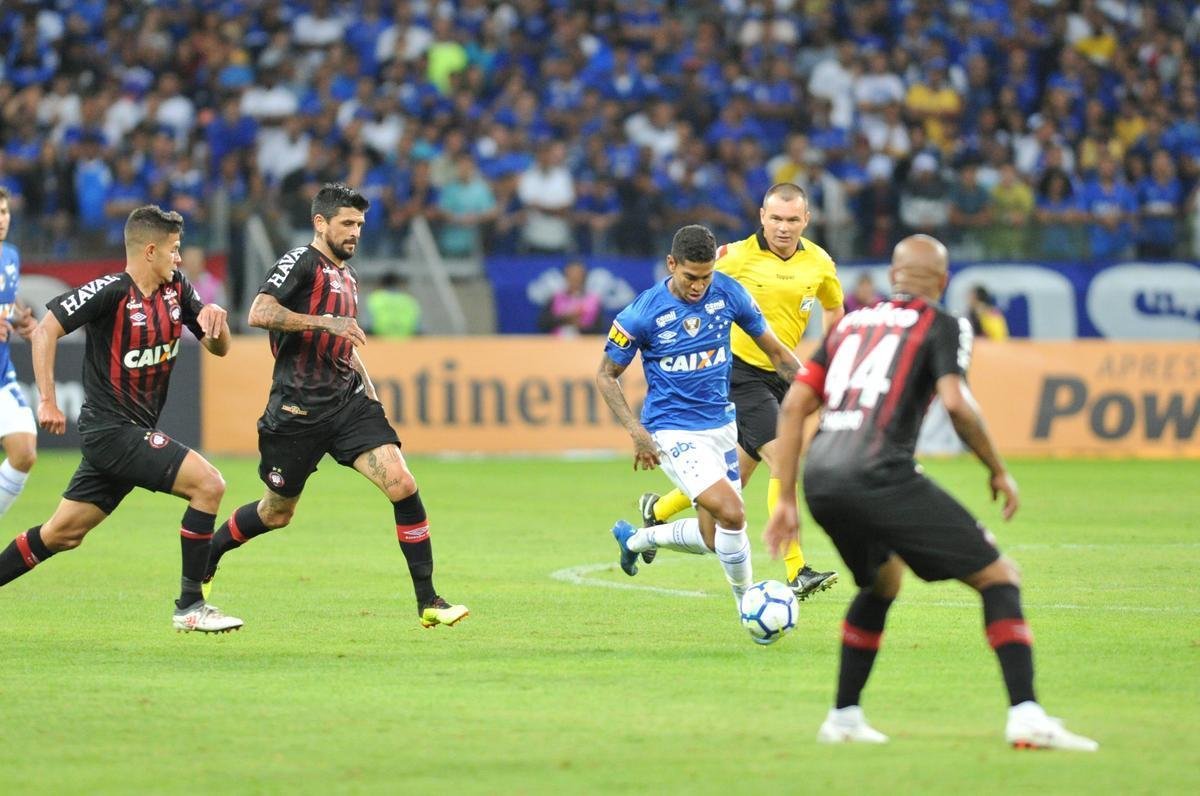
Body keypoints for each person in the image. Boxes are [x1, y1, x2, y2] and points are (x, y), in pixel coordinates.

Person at [764, 235, 1098, 751]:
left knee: (883, 582)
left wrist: (785, 498)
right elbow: (957, 404)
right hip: (880, 473)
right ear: (943, 282)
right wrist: (997, 469)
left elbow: (793, 407)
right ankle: (1027, 716)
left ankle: (844, 718)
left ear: (893, 276)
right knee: (1000, 577)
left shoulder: (850, 324)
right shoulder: (943, 323)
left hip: (822, 477)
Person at [200, 183, 466, 629]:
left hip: (347, 405)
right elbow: (259, 312)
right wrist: (325, 322)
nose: (355, 232)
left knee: (402, 484)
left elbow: (343, 340)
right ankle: (210, 552)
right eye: (347, 223)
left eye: (360, 224)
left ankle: (429, 602)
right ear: (320, 223)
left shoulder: (349, 276)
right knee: (276, 513)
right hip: (296, 412)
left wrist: (369, 390)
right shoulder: (300, 261)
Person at [0, 205, 243, 633]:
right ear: (150, 251)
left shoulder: (177, 289)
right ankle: (190, 606)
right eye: (174, 249)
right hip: (111, 432)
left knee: (61, 534)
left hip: (131, 434)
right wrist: (48, 401)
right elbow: (45, 330)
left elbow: (218, 348)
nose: (179, 258)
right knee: (208, 485)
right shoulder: (109, 291)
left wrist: (217, 323)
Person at [637, 184, 844, 599]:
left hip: (781, 374)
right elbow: (682, 286)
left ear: (806, 220)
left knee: (735, 480)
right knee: (784, 458)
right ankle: (797, 569)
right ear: (762, 217)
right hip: (737, 373)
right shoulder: (734, 257)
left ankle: (656, 510)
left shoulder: (820, 262)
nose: (783, 227)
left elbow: (834, 307)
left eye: (792, 220)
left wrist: (832, 358)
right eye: (776, 218)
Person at [597, 224, 801, 611]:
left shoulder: (728, 293)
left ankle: (635, 540)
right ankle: (749, 606)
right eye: (691, 277)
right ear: (671, 264)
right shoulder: (642, 313)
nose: (699, 286)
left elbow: (777, 354)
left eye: (706, 276)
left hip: (721, 426)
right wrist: (636, 431)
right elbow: (606, 375)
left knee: (714, 539)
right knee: (733, 513)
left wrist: (816, 390)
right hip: (671, 430)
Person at [0, 187, 39, 520]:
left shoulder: (10, 255)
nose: (1, 220)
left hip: (2, 376)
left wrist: (21, 319)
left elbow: (8, 303)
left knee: (24, 452)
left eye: (4, 212)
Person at [538, 259, 605, 337]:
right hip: (557, 341)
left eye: (578, 276)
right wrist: (565, 319)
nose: (575, 279)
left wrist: (580, 325)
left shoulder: (593, 300)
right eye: (571, 275)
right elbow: (543, 324)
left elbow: (600, 328)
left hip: (584, 342)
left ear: (584, 277)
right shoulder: (556, 298)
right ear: (565, 276)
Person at [366, 271, 421, 338]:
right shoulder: (409, 300)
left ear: (381, 284)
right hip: (406, 342)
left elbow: (367, 326)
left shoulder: (375, 299)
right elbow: (418, 329)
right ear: (399, 284)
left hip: (380, 341)